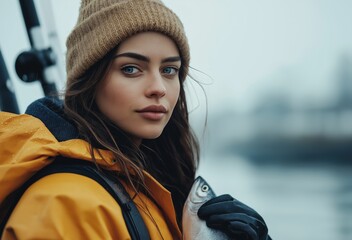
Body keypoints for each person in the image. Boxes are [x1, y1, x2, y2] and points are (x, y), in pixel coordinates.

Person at [0, 0, 271, 239]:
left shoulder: (148, 187)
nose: (158, 87)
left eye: (169, 70)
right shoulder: (66, 205)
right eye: (131, 69)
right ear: (90, 79)